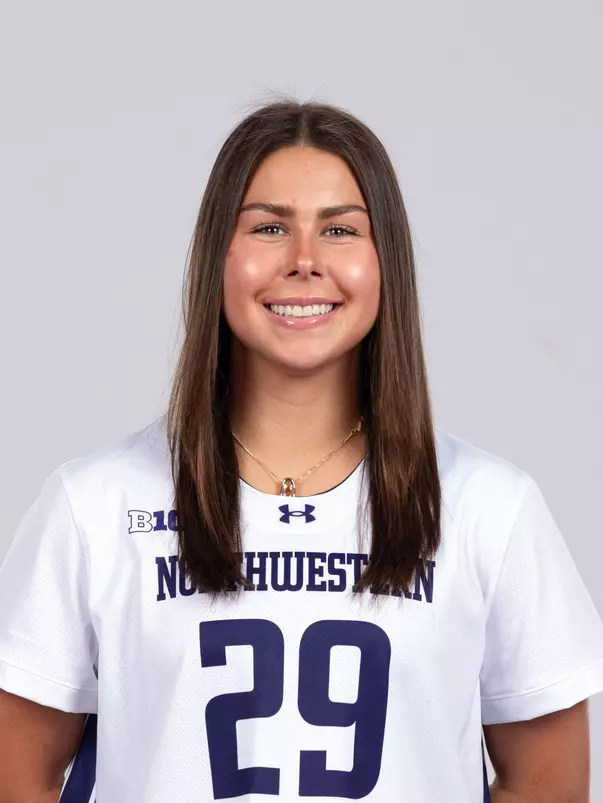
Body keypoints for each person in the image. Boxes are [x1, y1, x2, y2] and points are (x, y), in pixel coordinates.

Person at [0, 100, 602, 803]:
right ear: (216, 256)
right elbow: (19, 776)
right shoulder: (95, 506)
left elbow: (547, 780)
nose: (305, 261)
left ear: (386, 264)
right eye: (269, 227)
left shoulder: (488, 508)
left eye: (341, 229)